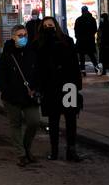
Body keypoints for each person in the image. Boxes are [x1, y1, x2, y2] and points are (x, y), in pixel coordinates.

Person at [35, 16, 83, 161]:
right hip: (51, 87)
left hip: (68, 85)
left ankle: (71, 150)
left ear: (56, 26)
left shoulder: (67, 41)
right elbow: (39, 67)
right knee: (53, 120)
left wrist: (77, 84)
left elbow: (74, 64)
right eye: (46, 26)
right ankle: (54, 150)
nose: (49, 28)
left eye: (51, 25)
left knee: (71, 119)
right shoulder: (40, 43)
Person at [0, 23, 40, 167]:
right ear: (13, 37)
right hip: (12, 97)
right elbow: (0, 75)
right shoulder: (7, 53)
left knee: (34, 121)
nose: (23, 38)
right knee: (15, 124)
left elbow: (37, 72)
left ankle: (26, 148)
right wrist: (6, 91)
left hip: (29, 95)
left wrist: (35, 87)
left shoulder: (32, 51)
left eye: (25, 35)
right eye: (20, 36)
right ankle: (21, 154)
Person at [73, 6, 99, 74]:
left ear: (82, 11)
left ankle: (83, 71)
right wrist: (90, 35)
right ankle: (97, 69)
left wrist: (78, 37)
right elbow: (95, 29)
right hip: (90, 41)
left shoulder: (78, 19)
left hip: (81, 41)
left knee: (82, 57)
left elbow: (76, 29)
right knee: (92, 56)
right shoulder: (92, 19)